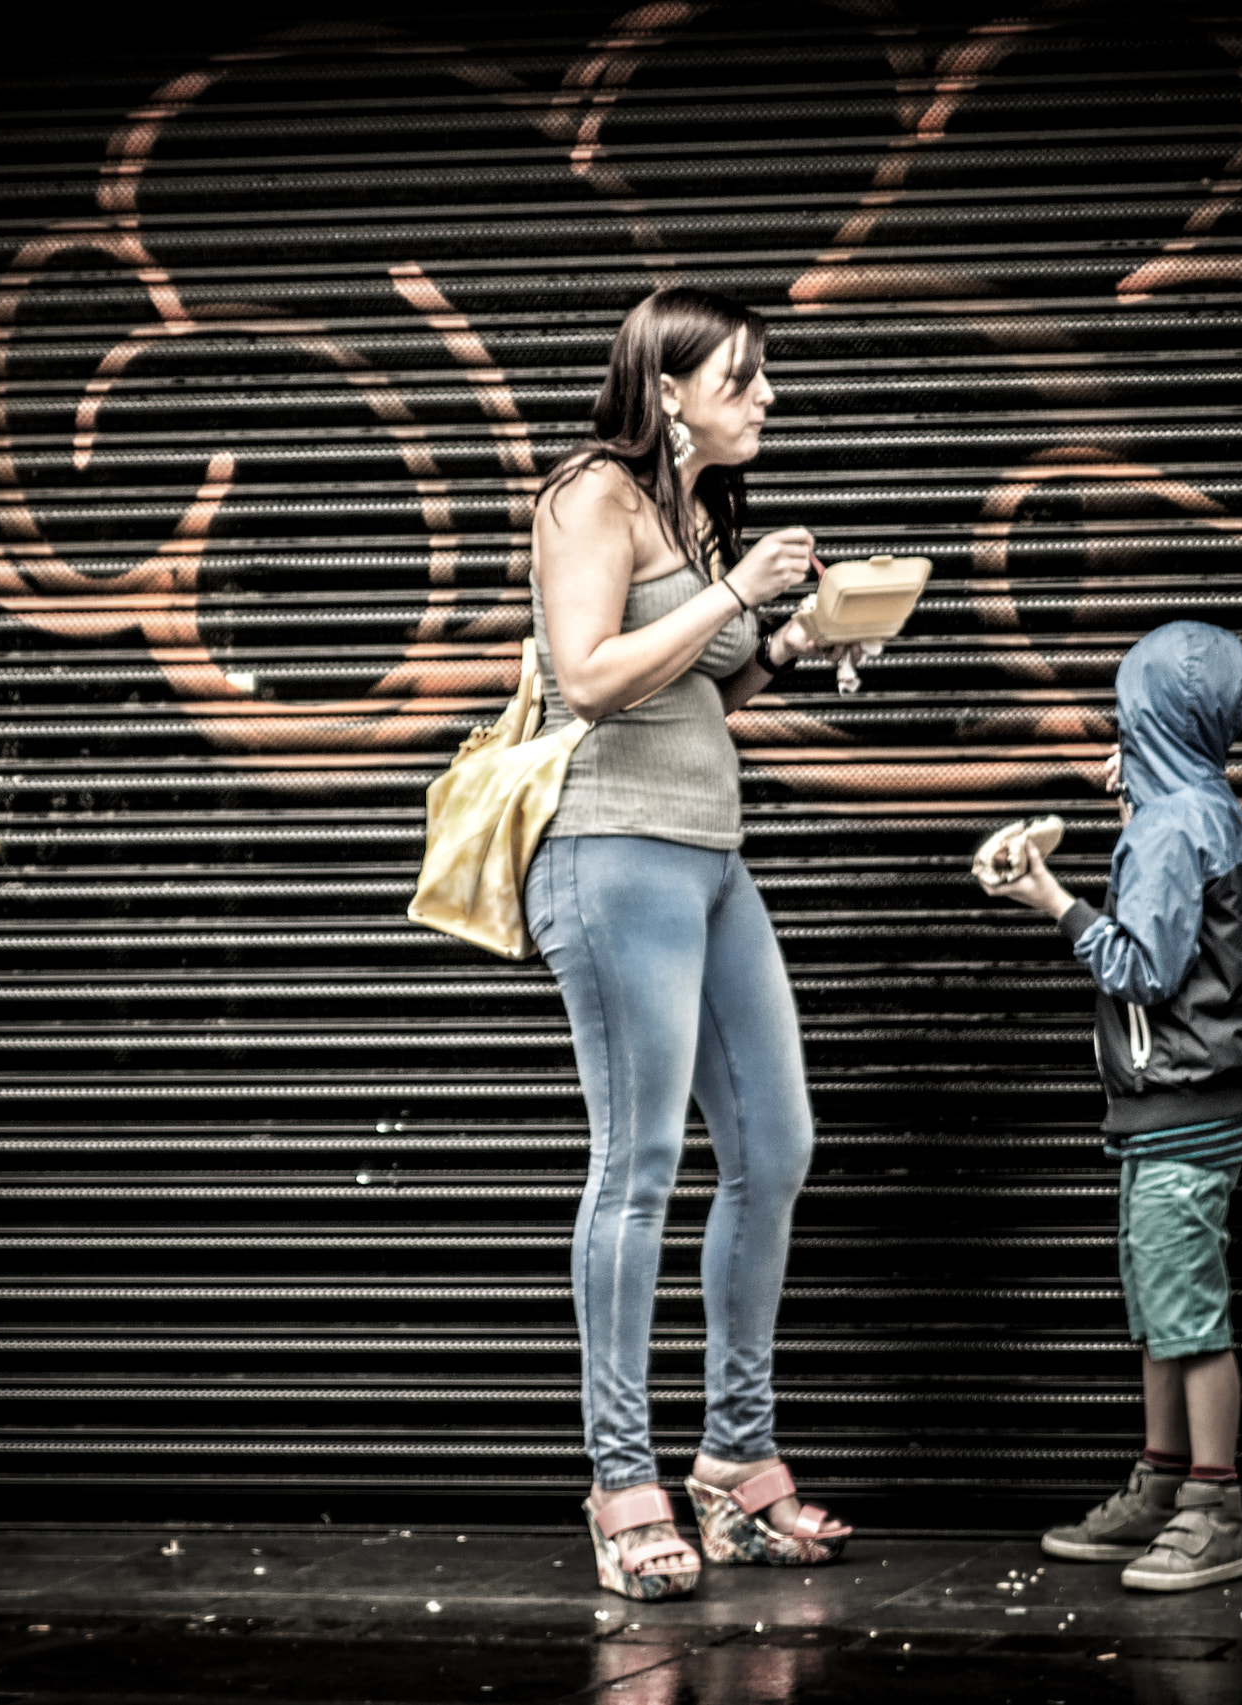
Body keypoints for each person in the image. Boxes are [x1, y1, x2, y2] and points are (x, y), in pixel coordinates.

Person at [527, 287, 855, 1601]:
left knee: (774, 1148)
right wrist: (730, 584)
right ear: (668, 388)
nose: (765, 396)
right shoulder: (589, 496)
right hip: (613, 855)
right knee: (640, 1162)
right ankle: (622, 1480)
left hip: (711, 863)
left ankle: (732, 1464)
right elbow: (591, 673)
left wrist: (793, 638)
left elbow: (703, 678)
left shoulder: (690, 509)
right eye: (743, 374)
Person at [977, 621, 1242, 1592]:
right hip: (1175, 1113)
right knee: (1158, 1314)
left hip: (1179, 1111)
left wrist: (1050, 899)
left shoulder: (1165, 829)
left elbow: (1141, 970)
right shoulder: (1196, 805)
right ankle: (1159, 1482)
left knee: (1187, 1320)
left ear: (1144, 716)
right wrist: (1146, 781)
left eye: (1123, 712)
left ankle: (1212, 1505)